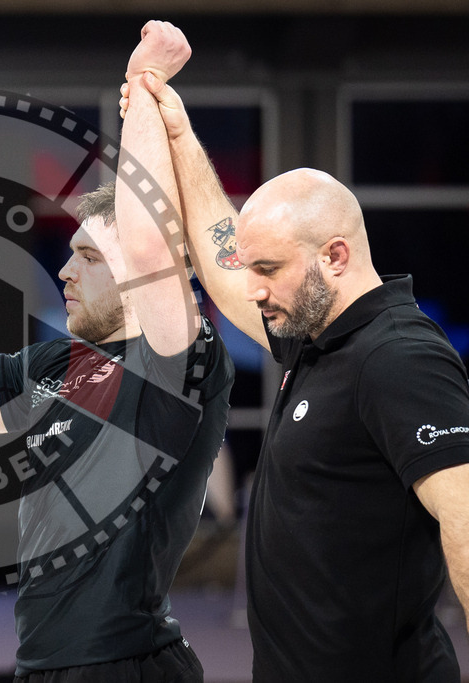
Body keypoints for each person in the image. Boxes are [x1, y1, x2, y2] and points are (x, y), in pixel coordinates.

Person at [0, 21, 235, 682]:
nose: (64, 271)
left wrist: (143, 85)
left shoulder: (175, 363)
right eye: (69, 255)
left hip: (126, 665)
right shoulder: (54, 366)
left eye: (89, 257)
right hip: (43, 663)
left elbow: (151, 244)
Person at [122, 46, 469, 681]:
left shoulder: (399, 357)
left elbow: (466, 518)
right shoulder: (313, 333)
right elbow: (223, 261)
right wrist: (179, 135)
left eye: (270, 268)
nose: (253, 289)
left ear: (335, 256)